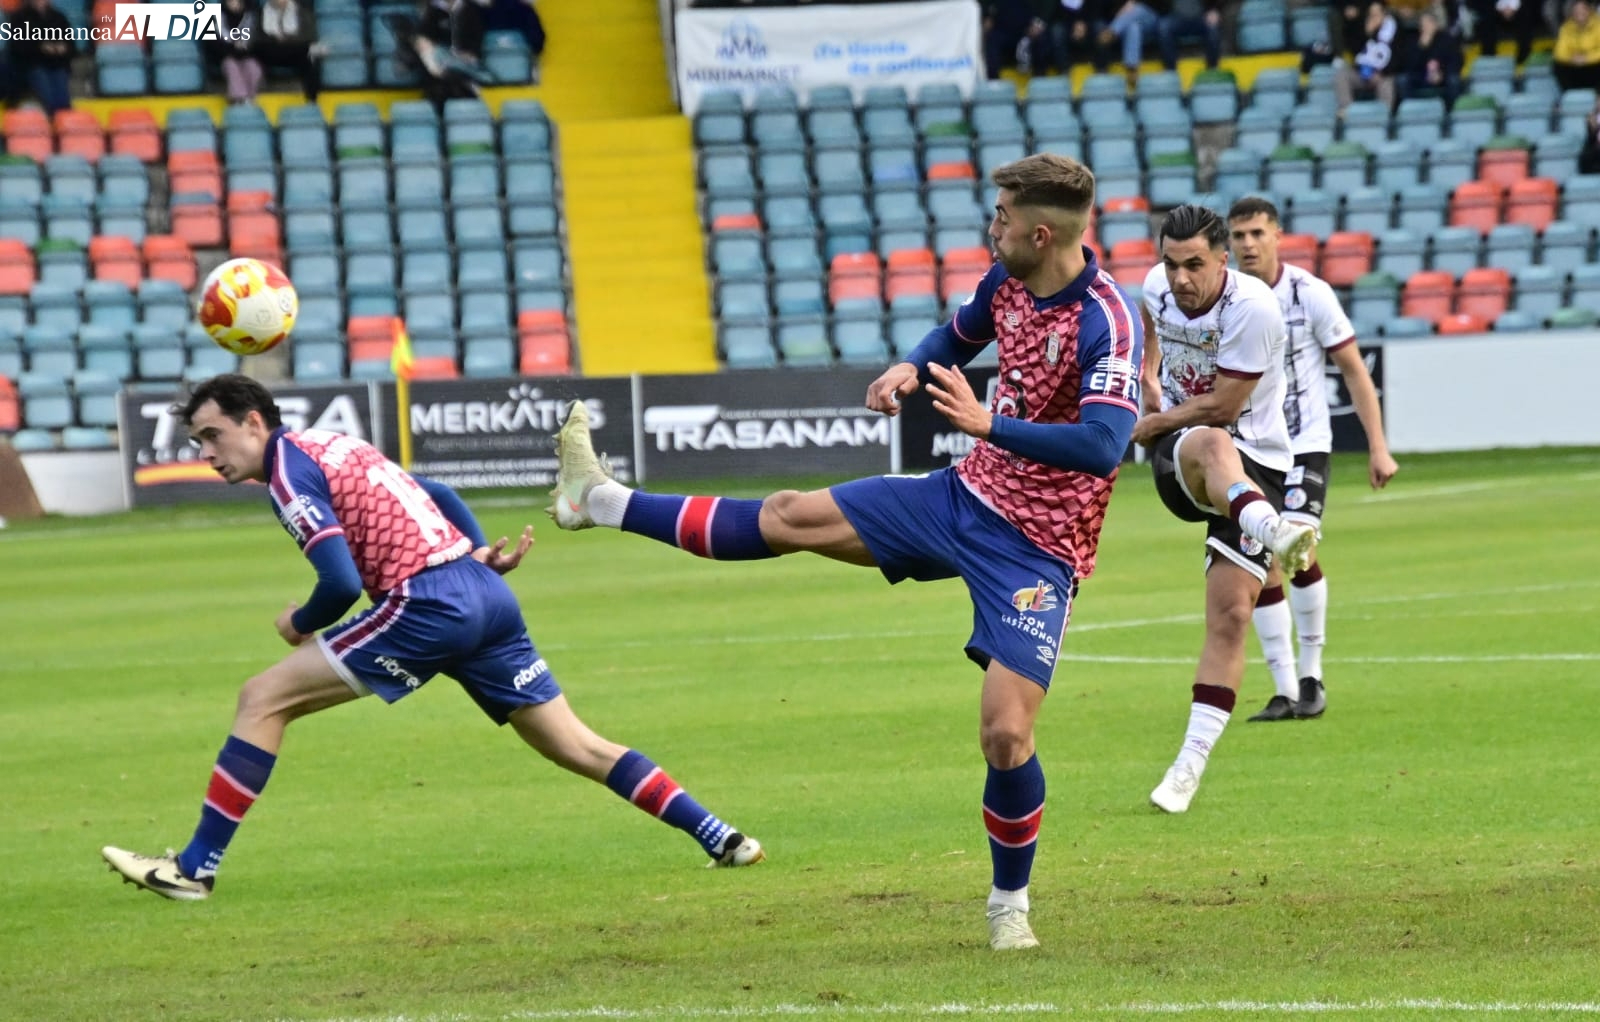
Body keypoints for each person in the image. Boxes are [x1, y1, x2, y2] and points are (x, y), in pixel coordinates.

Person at [546, 153, 1142, 951]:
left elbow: (1105, 446)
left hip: (1037, 548)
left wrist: (987, 423)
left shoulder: (1108, 318)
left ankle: (1009, 904)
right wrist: (914, 364)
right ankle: (600, 500)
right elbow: (956, 335)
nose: (990, 226)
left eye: (1000, 216)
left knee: (1005, 734)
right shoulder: (1006, 282)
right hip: (963, 496)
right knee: (789, 514)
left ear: (1042, 233)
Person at [101, 375, 764, 901]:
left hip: (425, 603)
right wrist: (475, 549)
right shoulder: (329, 444)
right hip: (482, 597)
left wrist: (298, 623)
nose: (207, 454)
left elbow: (334, 580)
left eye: (212, 436)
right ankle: (720, 836)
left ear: (253, 421)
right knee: (578, 745)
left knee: (262, 699)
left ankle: (195, 869)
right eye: (197, 442)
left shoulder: (286, 472)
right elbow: (437, 490)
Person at [1132, 204, 1319, 815]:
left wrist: (1154, 418)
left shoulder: (1254, 309)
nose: (1180, 278)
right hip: (1185, 459)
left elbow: (1226, 404)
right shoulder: (1157, 287)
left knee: (1234, 614)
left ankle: (1188, 766)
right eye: (1171, 262)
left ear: (1221, 262)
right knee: (1210, 445)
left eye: (1194, 265)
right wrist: (1152, 376)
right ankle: (1273, 527)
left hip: (1255, 460)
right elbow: (1151, 325)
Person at [1225, 198, 1399, 724]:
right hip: (1251, 447)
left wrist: (1378, 445)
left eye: (1257, 232)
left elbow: (1352, 369)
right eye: (1238, 236)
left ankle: (1311, 676)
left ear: (1278, 234)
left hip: (1304, 444)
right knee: (1261, 561)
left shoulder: (1310, 294)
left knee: (1294, 550)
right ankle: (1282, 690)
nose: (1248, 244)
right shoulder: (1228, 298)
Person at [3, 0, 75, 115]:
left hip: (57, 64)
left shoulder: (59, 17)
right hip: (32, 65)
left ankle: (63, 123)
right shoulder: (19, 17)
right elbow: (18, 47)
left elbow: (70, 45)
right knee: (49, 96)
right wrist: (42, 48)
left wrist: (61, 49)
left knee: (63, 101)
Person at [254, 0, 324, 101]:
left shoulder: (302, 12)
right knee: (258, 50)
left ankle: (312, 99)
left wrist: (289, 38)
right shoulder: (261, 12)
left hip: (295, 51)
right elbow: (258, 37)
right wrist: (275, 38)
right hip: (271, 51)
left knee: (310, 58)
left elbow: (309, 36)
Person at [1398, 9, 1463, 105]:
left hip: (1442, 76)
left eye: (1428, 23)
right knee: (1402, 80)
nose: (1425, 27)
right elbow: (1409, 66)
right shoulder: (1413, 40)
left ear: (1435, 24)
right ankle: (1410, 110)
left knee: (1454, 80)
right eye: (1422, 24)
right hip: (1421, 76)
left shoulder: (1447, 39)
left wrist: (1442, 74)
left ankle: (1452, 112)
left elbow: (1457, 61)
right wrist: (1421, 47)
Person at [209, 0, 264, 104]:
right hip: (225, 57)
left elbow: (258, 41)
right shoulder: (217, 17)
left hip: (248, 56)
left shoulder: (252, 16)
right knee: (232, 67)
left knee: (253, 67)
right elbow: (213, 44)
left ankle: (251, 99)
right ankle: (239, 101)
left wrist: (244, 49)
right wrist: (232, 49)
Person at [1555, 0, 1600, 91]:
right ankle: (1569, 94)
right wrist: (1571, 58)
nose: (1580, 13)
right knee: (1557, 65)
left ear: (1589, 11)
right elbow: (1559, 52)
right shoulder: (1566, 28)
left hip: (1593, 66)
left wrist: (1587, 58)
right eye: (1576, 10)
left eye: (1582, 10)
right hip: (1574, 65)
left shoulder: (1598, 26)